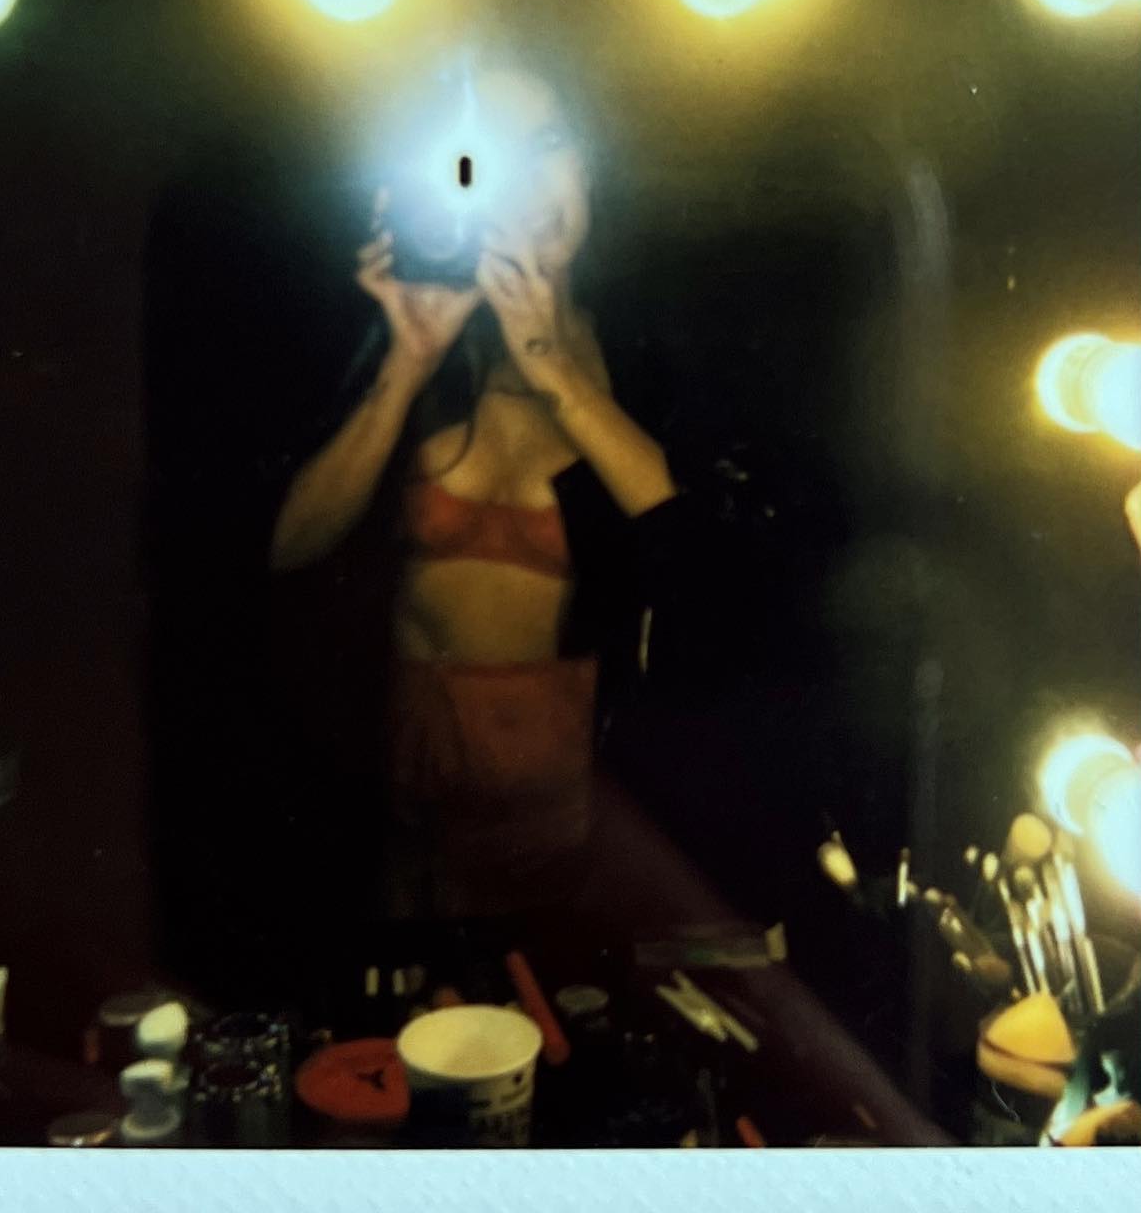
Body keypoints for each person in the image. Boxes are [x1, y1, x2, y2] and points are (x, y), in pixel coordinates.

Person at [265, 52, 770, 923]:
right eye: (495, 153)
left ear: (591, 167)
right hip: (406, 820)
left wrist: (554, 370)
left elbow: (704, 577)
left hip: (574, 824)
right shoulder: (416, 339)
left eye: (548, 144)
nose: (529, 183)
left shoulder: (648, 355)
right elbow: (290, 545)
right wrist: (405, 367)